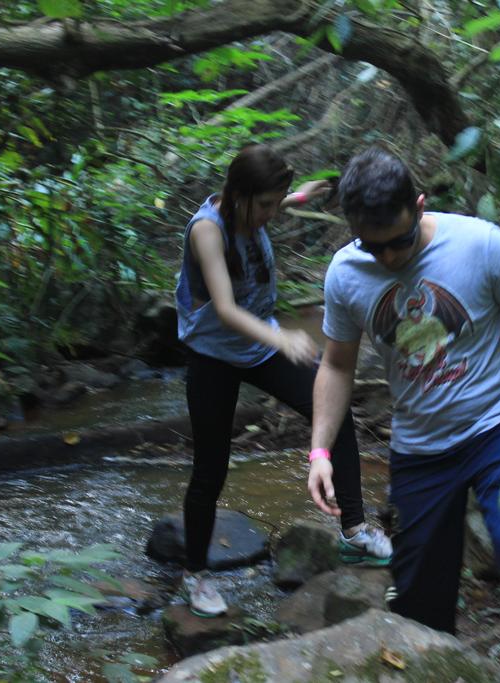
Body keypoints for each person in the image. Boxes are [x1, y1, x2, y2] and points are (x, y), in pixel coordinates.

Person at [306, 147, 500, 675]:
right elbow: (337, 365)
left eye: (400, 242)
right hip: (421, 447)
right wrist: (320, 451)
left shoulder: (479, 244)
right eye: (374, 248)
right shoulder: (346, 274)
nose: (389, 259)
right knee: (419, 599)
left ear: (419, 206)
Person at [174, 144, 391, 617]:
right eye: (267, 205)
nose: (272, 214)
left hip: (259, 345)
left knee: (333, 416)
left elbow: (272, 203)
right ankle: (195, 575)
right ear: (238, 196)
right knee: (211, 466)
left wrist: (298, 197)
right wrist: (284, 339)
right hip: (213, 354)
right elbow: (227, 310)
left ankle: (354, 532)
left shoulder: (253, 207)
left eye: (277, 204)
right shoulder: (208, 231)